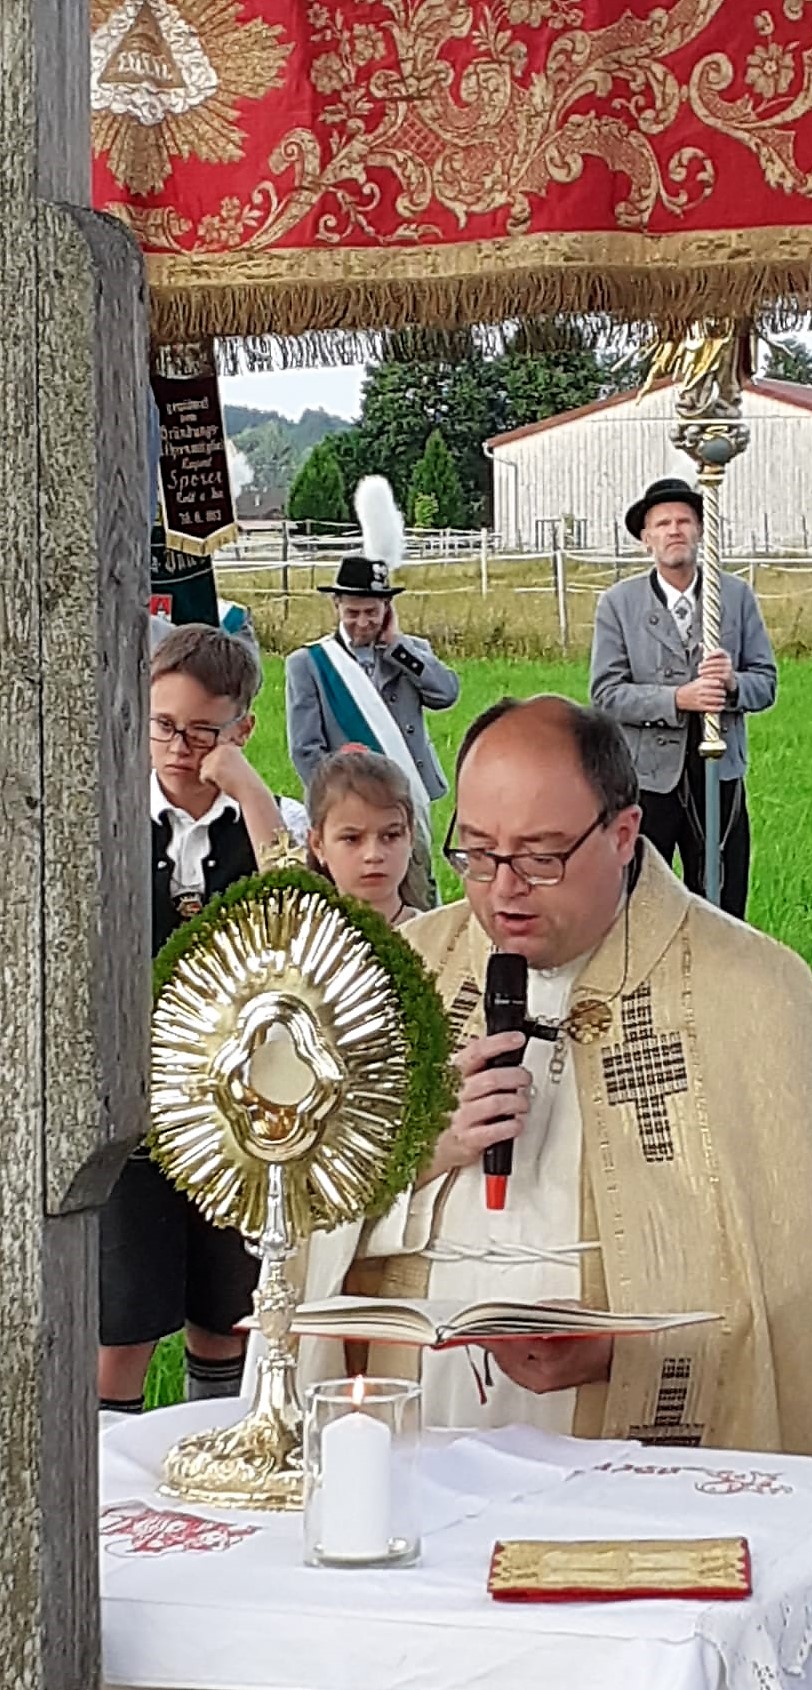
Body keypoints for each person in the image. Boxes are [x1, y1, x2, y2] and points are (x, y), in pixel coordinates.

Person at [281, 695, 812, 1466]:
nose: (502, 891)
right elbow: (291, 1220)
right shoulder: (410, 972)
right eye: (475, 853)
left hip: (640, 1443)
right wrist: (414, 1149)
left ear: (622, 833)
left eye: (540, 858)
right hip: (425, 1423)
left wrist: (621, 1350)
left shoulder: (750, 991)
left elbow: (811, 1274)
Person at [99, 625, 284, 1415]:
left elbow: (297, 918)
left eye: (202, 731)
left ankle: (220, 1440)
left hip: (236, 1104)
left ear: (240, 730)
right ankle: (108, 1487)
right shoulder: (106, 815)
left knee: (227, 1311)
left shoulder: (269, 823)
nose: (178, 747)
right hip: (133, 1099)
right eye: (164, 725)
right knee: (123, 1317)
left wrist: (251, 794)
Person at [590, 477, 777, 920]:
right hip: (649, 780)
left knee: (722, 900)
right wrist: (677, 699)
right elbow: (606, 694)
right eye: (663, 523)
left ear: (700, 531)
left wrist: (732, 685)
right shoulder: (619, 604)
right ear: (646, 538)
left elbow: (766, 683)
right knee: (639, 900)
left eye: (684, 521)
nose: (674, 530)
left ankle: (720, 984)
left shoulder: (734, 597)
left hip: (718, 772)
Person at [285, 476, 460, 905]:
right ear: (337, 608)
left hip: (408, 794)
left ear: (387, 611)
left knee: (418, 893)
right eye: (353, 613)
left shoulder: (408, 652)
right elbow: (305, 749)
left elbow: (446, 693)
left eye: (372, 612)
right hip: (352, 804)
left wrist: (396, 646)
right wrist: (338, 802)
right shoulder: (309, 664)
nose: (362, 622)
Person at [306, 748, 429, 925]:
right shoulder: (298, 944)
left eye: (390, 836)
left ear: (410, 837)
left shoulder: (442, 941)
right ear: (318, 844)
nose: (373, 855)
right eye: (352, 839)